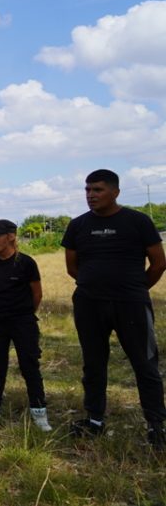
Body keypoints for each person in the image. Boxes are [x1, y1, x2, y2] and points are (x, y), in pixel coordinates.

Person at [63, 169, 166, 447]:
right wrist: (94, 286)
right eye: (87, 190)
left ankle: (156, 426)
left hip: (131, 304)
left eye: (97, 190)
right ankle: (94, 419)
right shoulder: (78, 226)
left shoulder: (138, 221)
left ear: (115, 192)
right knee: (93, 364)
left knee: (145, 364)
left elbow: (158, 262)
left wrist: (135, 289)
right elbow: (73, 267)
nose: (91, 195)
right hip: (89, 304)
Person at [0, 219, 51, 431]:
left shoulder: (26, 263)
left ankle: (39, 410)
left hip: (23, 321)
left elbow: (37, 294)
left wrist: (23, 314)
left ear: (11, 236)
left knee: (29, 364)